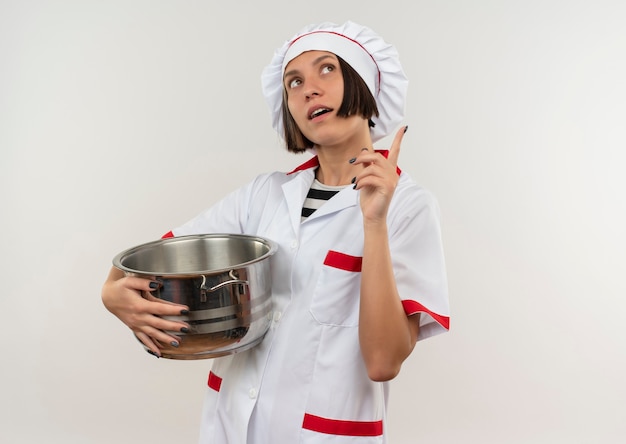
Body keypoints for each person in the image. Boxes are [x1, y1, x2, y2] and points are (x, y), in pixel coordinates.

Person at [102, 20, 450, 443]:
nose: (309, 89)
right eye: (294, 82)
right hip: (232, 428)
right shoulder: (264, 196)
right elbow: (154, 260)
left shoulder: (408, 207)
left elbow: (382, 362)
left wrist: (374, 222)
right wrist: (111, 292)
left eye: (327, 70)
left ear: (363, 83)